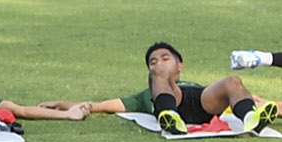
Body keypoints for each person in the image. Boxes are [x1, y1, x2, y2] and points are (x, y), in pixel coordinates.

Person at [24, 43, 259, 130]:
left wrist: (281, 107)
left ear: (180, 65)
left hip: (199, 100)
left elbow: (240, 95)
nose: (159, 64)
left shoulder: (194, 84)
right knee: (161, 81)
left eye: (166, 59)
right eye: (153, 62)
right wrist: (62, 105)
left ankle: (252, 120)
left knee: (232, 82)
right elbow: (100, 106)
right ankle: (169, 116)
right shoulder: (145, 95)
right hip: (171, 104)